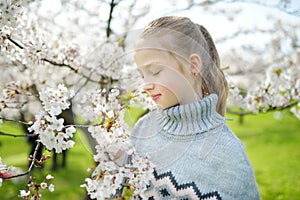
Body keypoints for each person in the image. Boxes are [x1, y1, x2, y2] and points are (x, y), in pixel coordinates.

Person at [130, 16, 260, 199]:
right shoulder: (142, 129)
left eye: (155, 71)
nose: (146, 85)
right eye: (142, 75)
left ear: (193, 65)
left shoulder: (228, 154)